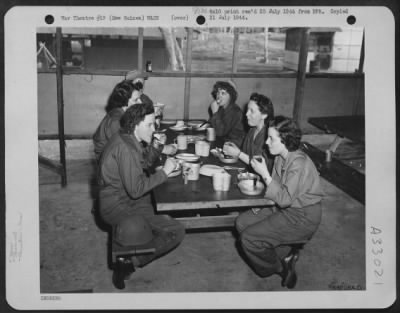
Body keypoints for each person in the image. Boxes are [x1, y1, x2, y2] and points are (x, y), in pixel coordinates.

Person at [235, 116, 323, 289]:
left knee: (249, 239)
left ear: (286, 141)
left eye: (271, 139)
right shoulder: (280, 156)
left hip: (302, 216)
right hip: (283, 208)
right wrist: (260, 204)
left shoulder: (298, 163)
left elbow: (283, 200)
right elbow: (276, 190)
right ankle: (285, 254)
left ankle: (281, 268)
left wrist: (264, 174)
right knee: (242, 222)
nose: (266, 142)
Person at [98, 102, 185, 269]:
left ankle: (138, 238)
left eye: (154, 123)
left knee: (152, 207)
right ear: (135, 125)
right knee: (177, 230)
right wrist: (164, 172)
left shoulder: (127, 138)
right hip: (116, 206)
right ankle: (131, 262)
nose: (154, 129)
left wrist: (156, 147)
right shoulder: (127, 149)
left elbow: (142, 163)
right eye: (149, 125)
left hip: (118, 198)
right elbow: (136, 190)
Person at [93, 79, 176, 161]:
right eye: (136, 100)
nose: (140, 102)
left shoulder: (125, 113)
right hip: (109, 161)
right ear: (124, 102)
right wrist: (161, 149)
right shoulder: (116, 121)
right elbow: (130, 149)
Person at [222, 92, 274, 172]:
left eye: (252, 111)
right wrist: (236, 149)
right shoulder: (252, 130)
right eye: (247, 110)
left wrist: (238, 153)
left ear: (264, 115)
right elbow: (246, 155)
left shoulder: (269, 136)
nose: (246, 114)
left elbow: (261, 166)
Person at [208, 81, 245, 147]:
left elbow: (220, 132)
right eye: (218, 93)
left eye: (223, 93)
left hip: (233, 146)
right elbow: (213, 127)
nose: (219, 96)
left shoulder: (235, 111)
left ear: (231, 96)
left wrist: (215, 113)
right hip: (222, 142)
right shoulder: (221, 108)